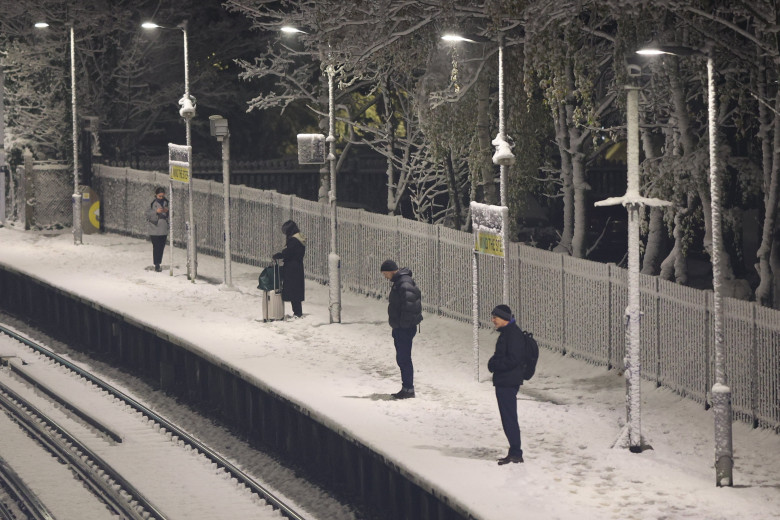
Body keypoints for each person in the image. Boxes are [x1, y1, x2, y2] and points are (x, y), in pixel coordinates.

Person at [487, 304, 526, 465]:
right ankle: (514, 450)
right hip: (505, 380)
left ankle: (516, 452)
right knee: (508, 417)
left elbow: (514, 359)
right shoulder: (508, 333)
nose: (493, 320)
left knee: (509, 417)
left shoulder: (513, 335)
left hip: (508, 381)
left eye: (495, 317)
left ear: (504, 318)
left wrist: (495, 364)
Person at [380, 259, 423, 399]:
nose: (385, 277)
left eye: (385, 273)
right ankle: (407, 387)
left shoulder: (403, 283)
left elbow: (409, 306)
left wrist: (402, 325)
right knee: (402, 358)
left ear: (391, 271)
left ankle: (408, 389)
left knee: (404, 358)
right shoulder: (401, 282)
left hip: (404, 328)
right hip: (401, 327)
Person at [272, 220, 306, 318]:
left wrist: (281, 254)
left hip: (292, 268)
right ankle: (297, 311)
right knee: (296, 291)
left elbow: (290, 252)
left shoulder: (293, 240)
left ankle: (297, 313)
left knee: (293, 290)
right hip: (298, 267)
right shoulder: (299, 238)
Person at [146, 187, 169, 272]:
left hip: (163, 228)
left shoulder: (167, 202)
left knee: (161, 246)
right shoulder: (152, 203)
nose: (161, 198)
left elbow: (172, 213)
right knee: (156, 246)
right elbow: (147, 214)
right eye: (159, 196)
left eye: (162, 196)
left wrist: (168, 211)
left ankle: (158, 262)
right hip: (154, 229)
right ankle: (157, 264)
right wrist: (156, 212)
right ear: (156, 195)